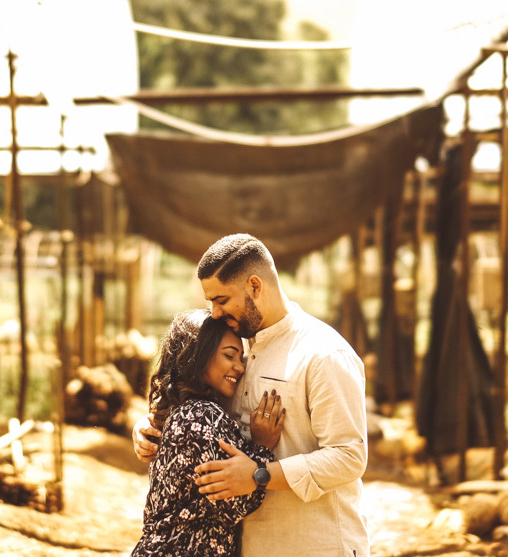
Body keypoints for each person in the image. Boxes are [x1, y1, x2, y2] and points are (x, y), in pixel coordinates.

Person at [133, 234, 370, 556]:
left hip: (315, 543)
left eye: (221, 300)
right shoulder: (235, 347)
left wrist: (260, 474)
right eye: (210, 302)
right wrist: (150, 427)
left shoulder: (323, 354)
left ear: (255, 287)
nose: (215, 313)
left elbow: (349, 456)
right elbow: (199, 411)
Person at [132, 308, 286, 556]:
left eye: (241, 359)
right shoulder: (202, 417)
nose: (240, 367)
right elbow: (233, 504)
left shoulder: (180, 411)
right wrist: (263, 447)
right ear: (198, 355)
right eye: (229, 356)